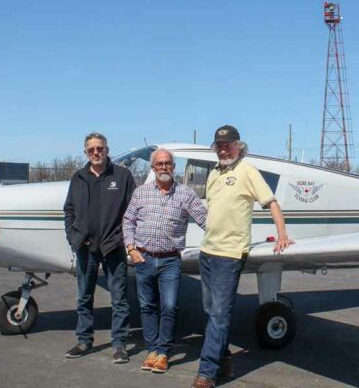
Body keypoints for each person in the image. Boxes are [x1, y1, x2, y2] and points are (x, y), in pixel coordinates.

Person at [191, 125, 292, 388]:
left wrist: (282, 233)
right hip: (207, 251)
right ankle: (224, 358)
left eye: (228, 144)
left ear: (239, 146)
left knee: (219, 314)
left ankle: (206, 373)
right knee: (210, 310)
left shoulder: (247, 170)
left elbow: (271, 201)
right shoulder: (214, 173)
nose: (223, 149)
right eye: (219, 145)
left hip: (230, 254)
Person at [123, 148, 208, 374]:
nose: (163, 167)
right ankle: (152, 350)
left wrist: (229, 236)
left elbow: (206, 220)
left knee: (169, 306)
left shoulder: (186, 194)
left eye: (167, 163)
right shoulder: (140, 193)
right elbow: (128, 220)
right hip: (143, 258)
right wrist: (131, 248)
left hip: (170, 260)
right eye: (159, 164)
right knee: (147, 306)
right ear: (152, 168)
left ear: (173, 166)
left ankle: (162, 352)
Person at [63, 132, 136, 363]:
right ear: (86, 152)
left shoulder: (123, 176)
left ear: (107, 150)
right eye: (91, 149)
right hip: (86, 248)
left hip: (113, 247)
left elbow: (133, 212)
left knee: (119, 299)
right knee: (84, 297)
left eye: (100, 148)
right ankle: (84, 340)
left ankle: (120, 344)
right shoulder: (78, 178)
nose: (96, 153)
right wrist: (74, 238)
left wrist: (122, 239)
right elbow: (69, 211)